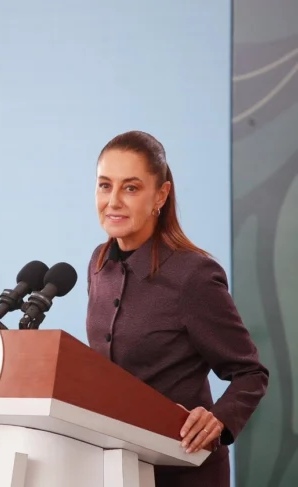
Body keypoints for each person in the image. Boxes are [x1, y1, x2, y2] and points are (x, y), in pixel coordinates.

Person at [85, 130, 269, 486]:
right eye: (105, 185)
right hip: (117, 470)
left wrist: (219, 419)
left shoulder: (193, 275)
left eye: (131, 188)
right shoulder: (99, 263)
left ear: (161, 195)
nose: (113, 201)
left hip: (184, 471)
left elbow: (251, 373)